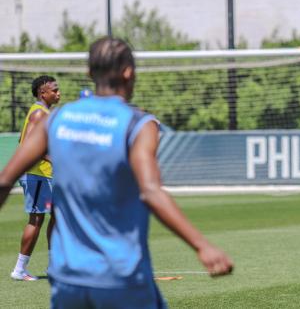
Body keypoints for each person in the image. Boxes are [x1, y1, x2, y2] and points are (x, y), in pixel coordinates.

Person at [0, 37, 233, 308]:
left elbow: (5, 179)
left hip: (68, 282)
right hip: (120, 277)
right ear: (129, 72)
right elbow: (151, 191)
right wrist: (202, 245)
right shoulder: (138, 123)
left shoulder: (58, 120)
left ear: (89, 72)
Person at [11, 75, 60, 281]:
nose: (59, 93)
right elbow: (28, 147)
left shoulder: (44, 113)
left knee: (57, 218)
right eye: (54, 90)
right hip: (35, 174)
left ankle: (54, 267)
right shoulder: (39, 113)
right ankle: (19, 270)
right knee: (37, 219)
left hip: (44, 174)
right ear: (43, 93)